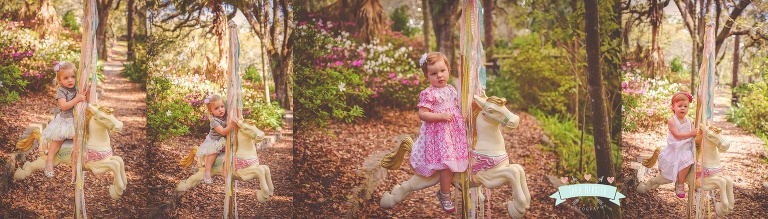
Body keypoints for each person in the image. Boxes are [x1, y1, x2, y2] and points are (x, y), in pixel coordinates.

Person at [409, 52, 469, 212]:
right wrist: (440, 116)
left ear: (449, 70)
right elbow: (422, 114)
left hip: (454, 134)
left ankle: (466, 186)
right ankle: (445, 194)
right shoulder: (429, 93)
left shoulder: (451, 89)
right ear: (426, 76)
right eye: (434, 73)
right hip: (440, 136)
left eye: (442, 71)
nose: (439, 76)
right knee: (447, 164)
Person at [42, 61, 89, 177]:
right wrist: (77, 99)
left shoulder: (77, 88)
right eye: (66, 78)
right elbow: (64, 106)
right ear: (60, 80)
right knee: (59, 138)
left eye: (73, 77)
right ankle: (49, 160)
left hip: (77, 119)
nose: (70, 80)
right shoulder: (61, 91)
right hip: (65, 120)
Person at [657, 92, 700, 198]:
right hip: (676, 146)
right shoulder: (672, 121)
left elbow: (693, 133)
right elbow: (677, 135)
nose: (683, 108)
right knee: (688, 159)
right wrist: (691, 133)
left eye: (685, 106)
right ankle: (680, 184)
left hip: (686, 144)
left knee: (695, 157)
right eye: (679, 106)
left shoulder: (688, 120)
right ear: (673, 106)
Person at [197, 94, 237, 184]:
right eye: (216, 108)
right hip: (215, 141)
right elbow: (223, 131)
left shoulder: (225, 115)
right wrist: (231, 125)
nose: (220, 110)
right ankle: (207, 171)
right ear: (211, 111)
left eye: (222, 106)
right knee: (214, 152)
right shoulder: (214, 121)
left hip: (223, 140)